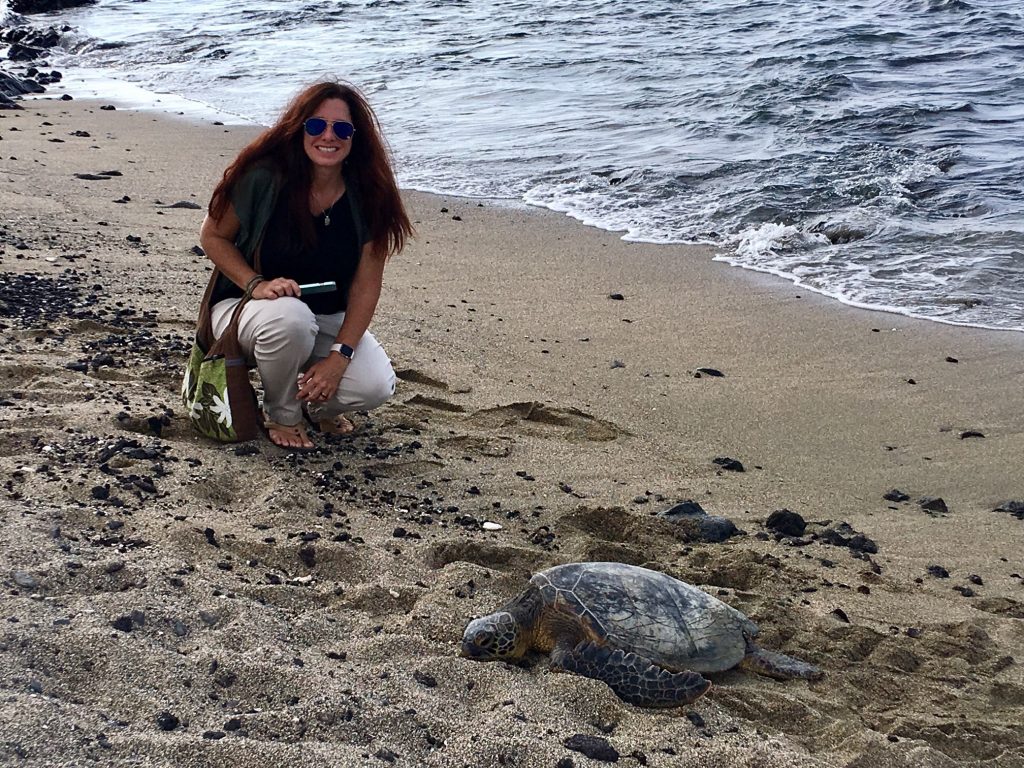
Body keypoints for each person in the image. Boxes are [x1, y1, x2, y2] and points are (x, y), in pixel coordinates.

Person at [199, 80, 413, 449]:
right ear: (300, 129)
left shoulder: (370, 195)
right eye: (316, 126)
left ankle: (316, 405)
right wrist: (255, 284)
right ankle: (282, 412)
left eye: (341, 128)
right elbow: (212, 237)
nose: (328, 136)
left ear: (355, 138)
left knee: (373, 385)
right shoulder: (264, 177)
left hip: (324, 318)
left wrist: (339, 357)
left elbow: (365, 286)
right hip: (246, 312)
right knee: (290, 319)